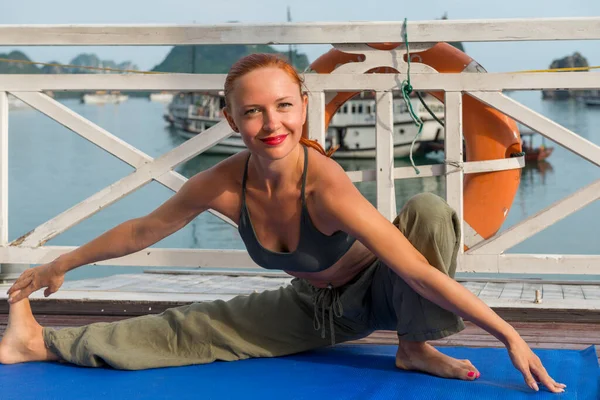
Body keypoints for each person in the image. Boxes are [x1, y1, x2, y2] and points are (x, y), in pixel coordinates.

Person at [0, 53, 564, 394]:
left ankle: (414, 347)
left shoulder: (325, 185)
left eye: (284, 106)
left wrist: (509, 335)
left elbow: (416, 271)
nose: (272, 123)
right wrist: (61, 262)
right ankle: (38, 343)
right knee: (188, 329)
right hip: (312, 307)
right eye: (253, 111)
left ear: (303, 107)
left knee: (431, 212)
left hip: (385, 293)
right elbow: (143, 230)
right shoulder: (221, 184)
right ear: (231, 119)